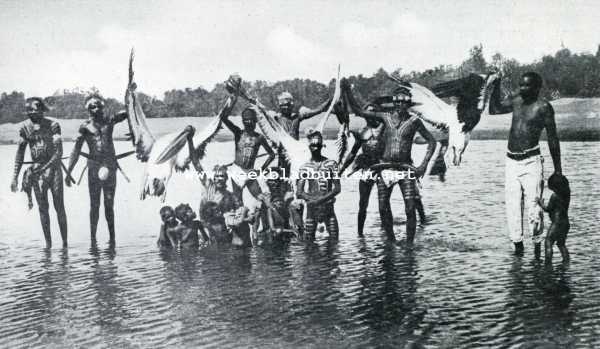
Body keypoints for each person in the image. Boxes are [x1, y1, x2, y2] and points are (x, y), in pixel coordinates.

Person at [342, 79, 436, 243]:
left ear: (408, 104)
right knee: (383, 207)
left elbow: (432, 141)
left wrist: (423, 165)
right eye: (398, 102)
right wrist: (347, 91)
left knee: (410, 207)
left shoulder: (414, 121)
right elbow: (359, 111)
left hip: (405, 169)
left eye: (404, 102)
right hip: (384, 168)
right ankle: (391, 242)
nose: (401, 105)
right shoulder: (385, 117)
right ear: (394, 103)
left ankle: (409, 245)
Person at [489, 72, 562, 256]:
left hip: (531, 162)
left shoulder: (544, 107)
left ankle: (537, 247)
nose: (522, 89)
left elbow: (553, 139)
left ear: (537, 87)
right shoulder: (516, 100)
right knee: (512, 206)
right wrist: (496, 85)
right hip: (511, 162)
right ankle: (518, 248)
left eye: (527, 86)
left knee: (534, 208)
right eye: (521, 85)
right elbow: (494, 109)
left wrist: (558, 170)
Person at [65, 94, 128, 244]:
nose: (96, 108)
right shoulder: (85, 127)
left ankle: (112, 240)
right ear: (87, 109)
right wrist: (68, 172)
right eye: (92, 106)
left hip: (110, 166)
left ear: (103, 107)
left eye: (99, 105)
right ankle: (93, 240)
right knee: (94, 205)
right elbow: (76, 150)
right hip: (93, 167)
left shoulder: (109, 121)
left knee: (109, 204)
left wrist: (131, 101)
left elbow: (126, 113)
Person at [11, 97, 68, 247]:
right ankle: (48, 245)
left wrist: (44, 168)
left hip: (54, 169)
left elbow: (58, 153)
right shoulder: (24, 129)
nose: (32, 113)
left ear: (42, 110)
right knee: (43, 209)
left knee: (59, 206)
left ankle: (64, 245)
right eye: (29, 110)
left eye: (36, 110)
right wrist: (15, 177)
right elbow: (20, 154)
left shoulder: (53, 125)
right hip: (37, 172)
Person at [339, 104, 385, 236]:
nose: (370, 116)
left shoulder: (385, 129)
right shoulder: (362, 132)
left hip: (383, 169)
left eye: (373, 112)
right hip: (367, 169)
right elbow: (353, 153)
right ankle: (360, 234)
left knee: (383, 205)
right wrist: (341, 170)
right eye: (368, 113)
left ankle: (386, 232)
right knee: (363, 204)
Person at [220, 106, 275, 202]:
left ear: (255, 122)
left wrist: (260, 170)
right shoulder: (238, 133)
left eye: (252, 120)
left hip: (250, 172)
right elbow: (224, 118)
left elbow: (272, 155)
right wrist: (232, 101)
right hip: (237, 170)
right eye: (247, 120)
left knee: (261, 198)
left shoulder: (259, 137)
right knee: (238, 201)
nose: (249, 123)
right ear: (243, 122)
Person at [296, 130, 341, 240]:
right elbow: (299, 192)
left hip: (328, 209)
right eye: (313, 145)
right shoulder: (305, 167)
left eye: (317, 145)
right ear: (309, 146)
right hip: (312, 210)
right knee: (309, 246)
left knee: (334, 244)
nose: (315, 148)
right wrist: (313, 200)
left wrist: (319, 200)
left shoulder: (331, 164)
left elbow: (337, 189)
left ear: (322, 146)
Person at [537, 174, 570, 264]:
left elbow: (548, 209)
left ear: (554, 187)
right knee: (561, 244)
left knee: (548, 242)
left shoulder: (554, 196)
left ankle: (548, 263)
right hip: (566, 223)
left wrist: (541, 203)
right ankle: (566, 262)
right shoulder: (567, 193)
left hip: (556, 223)